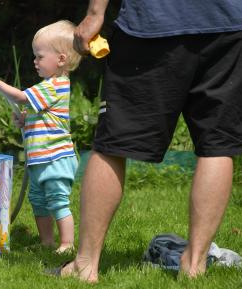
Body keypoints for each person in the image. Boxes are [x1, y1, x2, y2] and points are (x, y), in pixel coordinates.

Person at [59, 0, 242, 283]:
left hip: (155, 23)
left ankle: (85, 264)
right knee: (217, 145)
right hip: (228, 22)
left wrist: (95, 13)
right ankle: (194, 265)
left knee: (111, 145)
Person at [0, 20, 82, 253]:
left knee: (58, 200)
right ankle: (47, 241)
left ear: (61, 59)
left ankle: (67, 244)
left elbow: (21, 97)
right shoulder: (48, 86)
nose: (35, 61)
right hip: (41, 160)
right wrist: (26, 121)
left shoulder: (55, 86)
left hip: (56, 159)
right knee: (39, 202)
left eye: (40, 56)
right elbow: (42, 116)